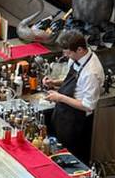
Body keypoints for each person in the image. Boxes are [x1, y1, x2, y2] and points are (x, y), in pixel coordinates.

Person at [43, 31, 105, 164]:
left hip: (77, 121)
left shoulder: (91, 73)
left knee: (71, 159)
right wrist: (55, 82)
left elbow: (88, 105)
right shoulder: (76, 59)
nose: (66, 55)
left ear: (80, 49)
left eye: (68, 52)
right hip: (64, 114)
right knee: (57, 152)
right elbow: (73, 81)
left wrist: (60, 97)